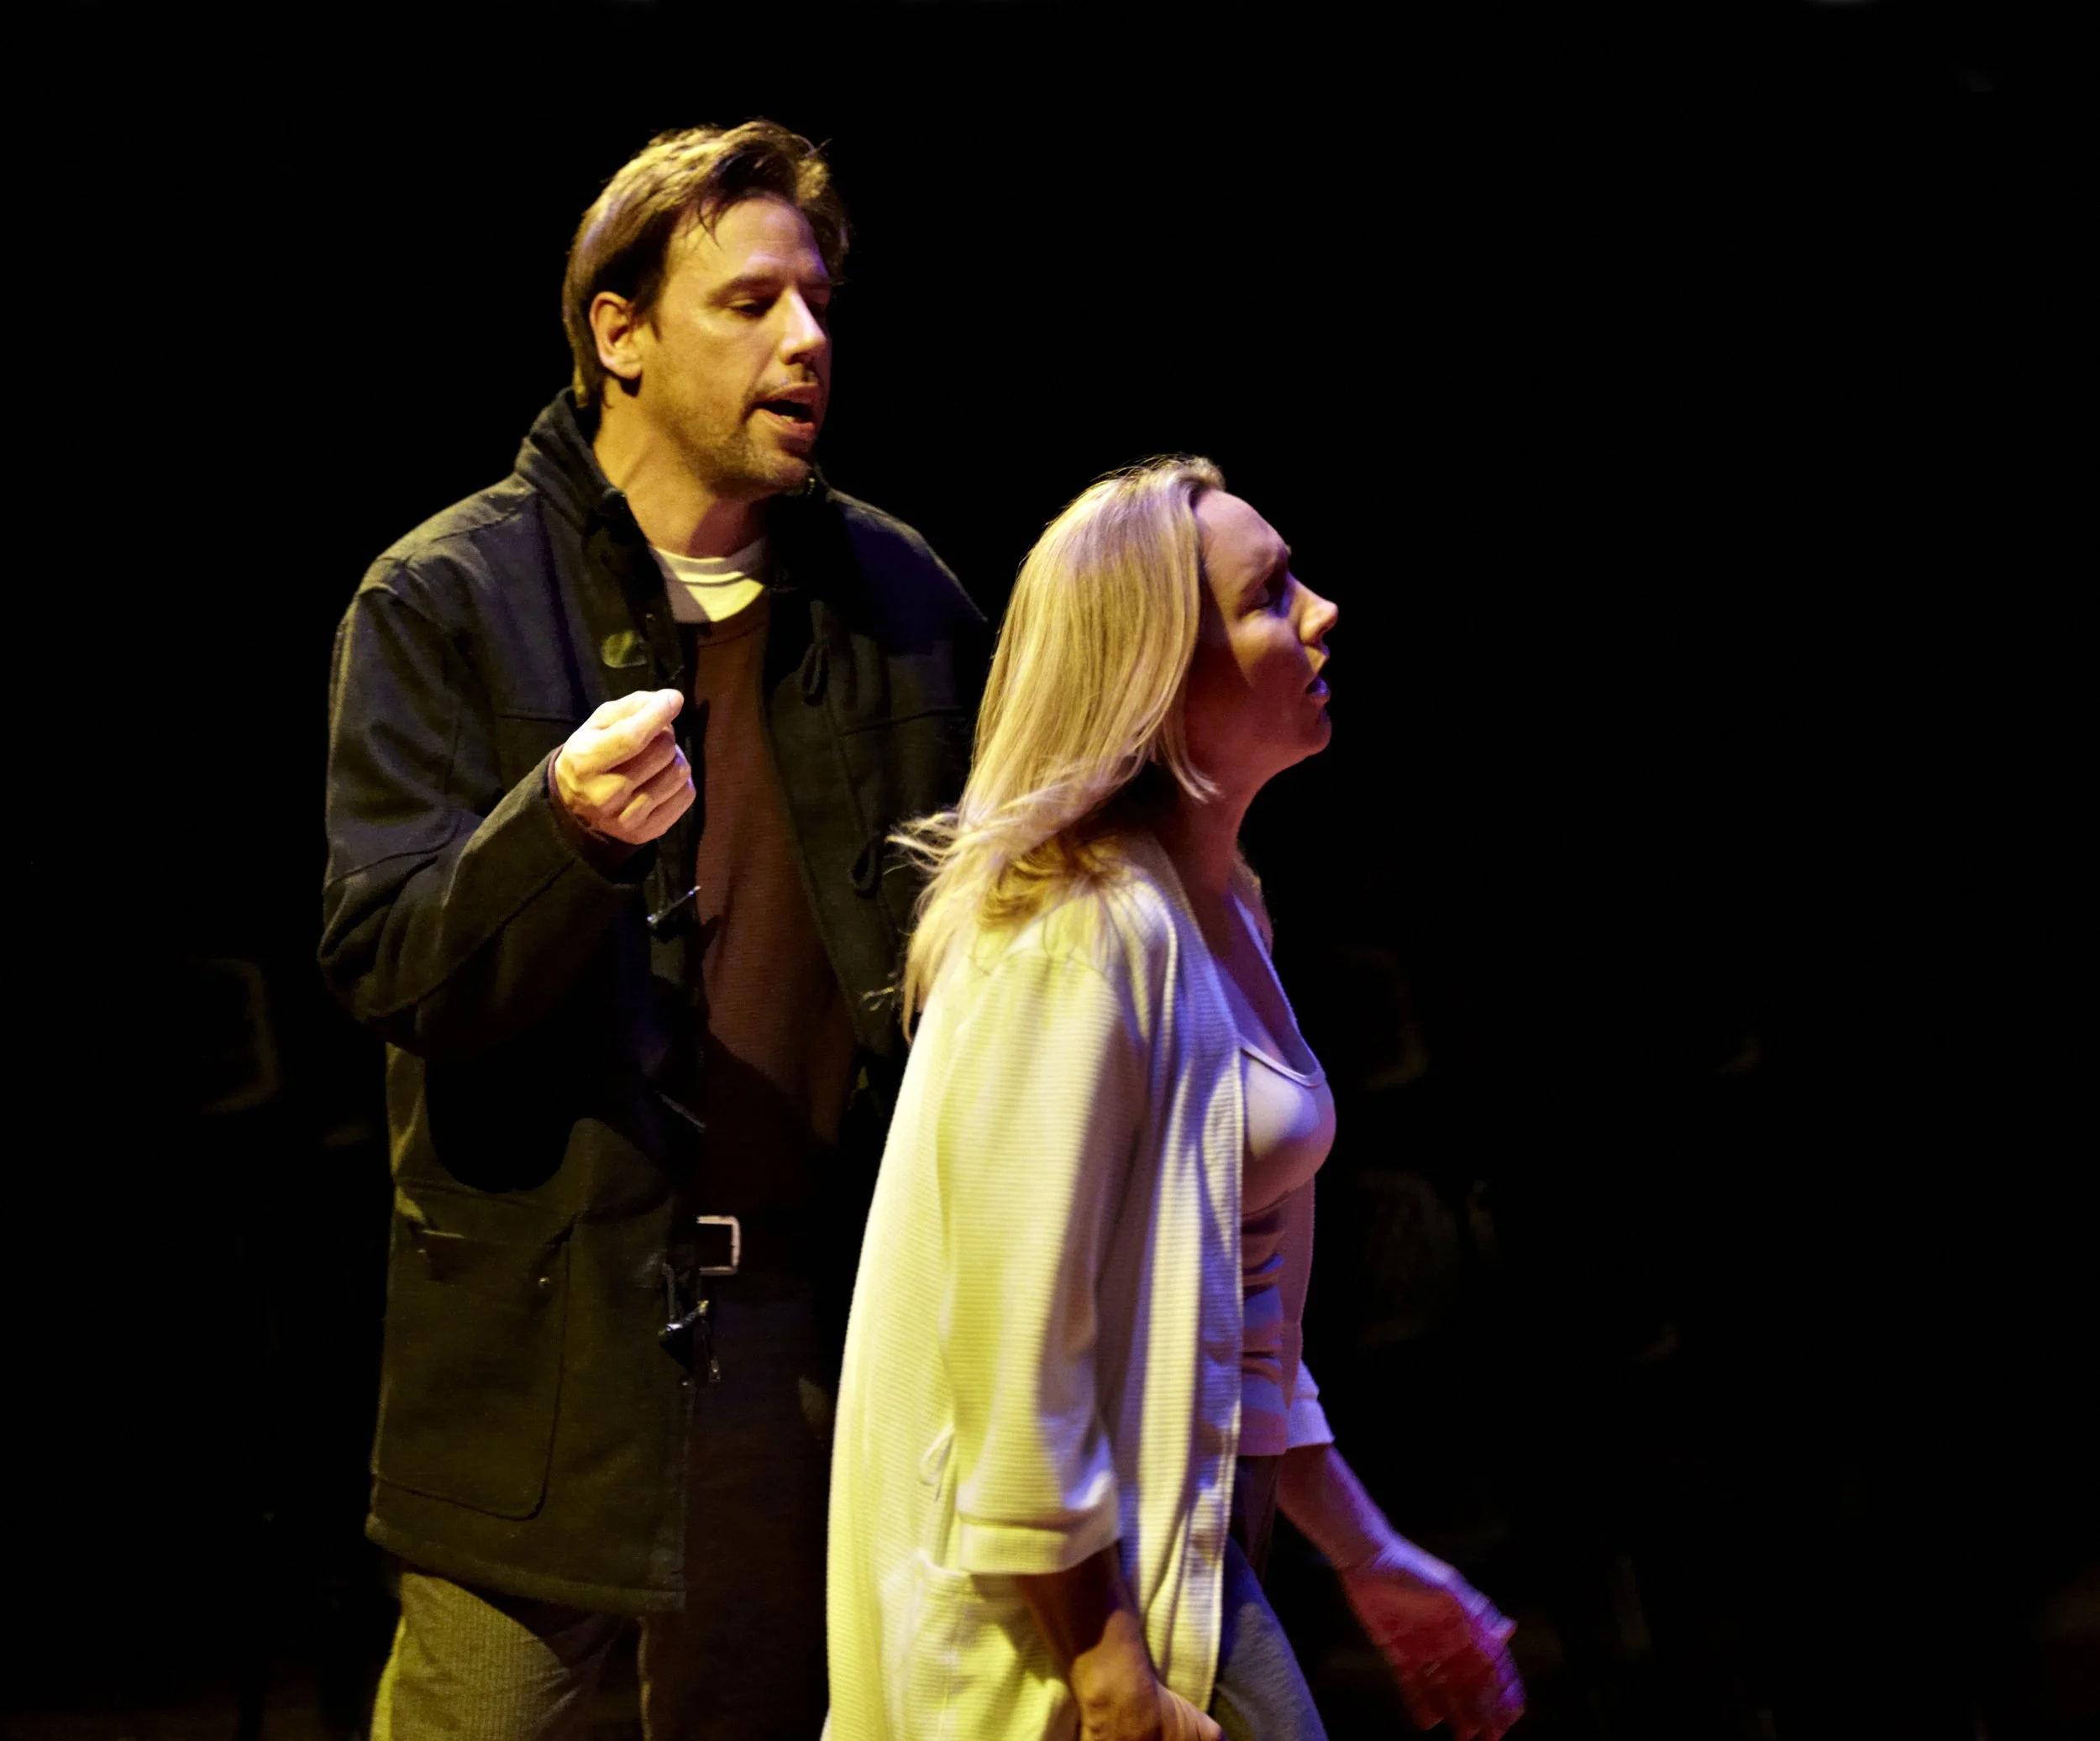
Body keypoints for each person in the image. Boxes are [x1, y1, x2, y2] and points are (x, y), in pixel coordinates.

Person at [319, 121, 983, 1738]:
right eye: (749, 303)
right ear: (619, 333)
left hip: (819, 1345)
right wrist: (558, 832)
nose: (806, 341)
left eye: (816, 303)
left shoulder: (903, 602)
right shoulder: (445, 597)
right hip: (544, 1358)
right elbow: (390, 959)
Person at [825, 459, 1525, 1739]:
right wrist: (1105, 1671)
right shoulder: (1079, 933)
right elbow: (1013, 1337)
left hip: (1186, 1569)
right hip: (1047, 1629)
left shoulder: (1220, 912)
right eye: (1269, 597)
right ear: (1160, 675)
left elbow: (1245, 1318)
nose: (1321, 612)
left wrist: (1366, 1552)